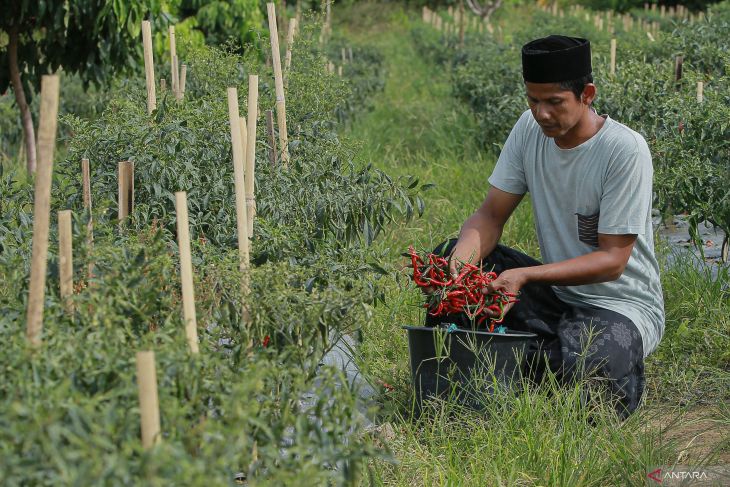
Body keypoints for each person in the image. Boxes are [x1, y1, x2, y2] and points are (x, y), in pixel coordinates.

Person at [428, 35, 665, 418]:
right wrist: (461, 263)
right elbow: (489, 216)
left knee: (598, 361)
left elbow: (612, 261)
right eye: (533, 100)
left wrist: (524, 276)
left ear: (587, 94)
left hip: (619, 306)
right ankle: (490, 369)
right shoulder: (529, 130)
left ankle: (532, 361)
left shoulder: (624, 150)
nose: (541, 114)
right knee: (449, 258)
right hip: (557, 296)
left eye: (554, 102)